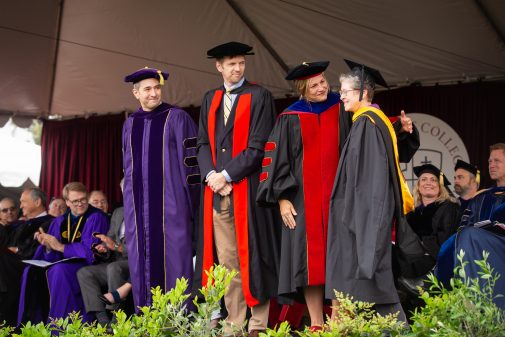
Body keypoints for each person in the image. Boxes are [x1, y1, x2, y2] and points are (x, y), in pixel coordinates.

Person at [257, 61, 419, 330]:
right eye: (314, 85)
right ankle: (317, 323)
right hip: (302, 202)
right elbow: (275, 160)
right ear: (302, 89)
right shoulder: (289, 117)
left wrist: (400, 128)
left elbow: (373, 125)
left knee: (340, 258)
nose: (322, 87)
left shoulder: (342, 106)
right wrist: (281, 199)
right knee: (308, 263)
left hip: (340, 198)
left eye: (323, 81)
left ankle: (338, 321)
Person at [193, 41, 280, 337]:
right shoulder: (210, 98)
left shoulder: (260, 96)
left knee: (254, 256)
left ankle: (257, 324)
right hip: (218, 195)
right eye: (231, 63)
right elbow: (202, 143)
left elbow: (259, 146)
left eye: (241, 62)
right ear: (219, 66)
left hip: (248, 192)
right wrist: (211, 176)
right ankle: (234, 323)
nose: (237, 68)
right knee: (228, 262)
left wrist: (227, 175)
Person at [326, 61, 416, 322]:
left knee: (372, 289)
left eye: (345, 91)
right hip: (358, 220)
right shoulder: (367, 122)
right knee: (364, 291)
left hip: (359, 221)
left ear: (363, 93)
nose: (340, 95)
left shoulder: (367, 124)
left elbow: (369, 182)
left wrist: (360, 223)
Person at [122, 67, 200, 309]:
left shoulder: (176, 117)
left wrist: (192, 207)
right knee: (142, 264)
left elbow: (192, 166)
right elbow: (127, 169)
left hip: (172, 207)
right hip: (139, 212)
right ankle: (148, 320)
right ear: (136, 93)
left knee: (176, 262)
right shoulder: (130, 124)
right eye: (147, 89)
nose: (154, 93)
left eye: (157, 88)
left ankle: (180, 321)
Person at [17, 182, 109, 324]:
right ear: (67, 202)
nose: (80, 204)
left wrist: (60, 247)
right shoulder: (59, 222)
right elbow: (51, 256)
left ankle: (63, 326)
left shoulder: (96, 217)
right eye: (75, 201)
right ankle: (32, 323)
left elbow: (91, 252)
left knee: (59, 270)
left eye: (83, 199)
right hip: (62, 265)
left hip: (87, 265)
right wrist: (48, 247)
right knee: (31, 271)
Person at [437, 143, 505, 309]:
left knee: (469, 235)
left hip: (500, 249)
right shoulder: (480, 198)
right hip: (478, 250)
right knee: (463, 236)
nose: (492, 165)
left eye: (497, 160)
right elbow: (463, 228)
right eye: (490, 161)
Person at [399, 165, 459, 293]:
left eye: (433, 180)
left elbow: (446, 241)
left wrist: (420, 244)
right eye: (424, 179)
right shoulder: (411, 214)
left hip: (432, 263)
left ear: (440, 186)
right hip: (409, 259)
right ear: (418, 186)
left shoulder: (448, 207)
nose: (428, 183)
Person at [0, 189, 53, 326]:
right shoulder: (22, 224)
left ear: (37, 202)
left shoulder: (49, 223)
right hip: (12, 262)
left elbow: (38, 249)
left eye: (23, 201)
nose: (21, 206)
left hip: (31, 265)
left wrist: (17, 249)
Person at [77, 204, 129, 327]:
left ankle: (116, 320)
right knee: (84, 273)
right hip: (117, 260)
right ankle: (103, 321)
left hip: (137, 262)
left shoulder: (147, 211)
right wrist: (104, 247)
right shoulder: (119, 211)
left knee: (114, 268)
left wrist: (119, 248)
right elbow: (110, 238)